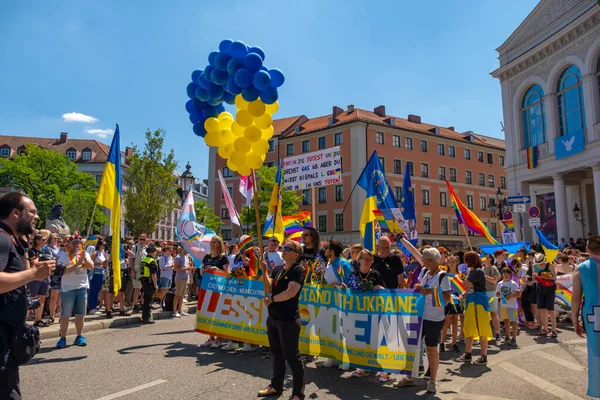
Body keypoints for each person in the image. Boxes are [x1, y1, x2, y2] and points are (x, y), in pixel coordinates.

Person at [0, 192, 56, 400]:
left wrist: (29, 268)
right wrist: (33, 274)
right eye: (31, 211)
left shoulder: (12, 241)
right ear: (15, 213)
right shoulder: (2, 238)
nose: (36, 216)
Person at [395, 248, 451, 394]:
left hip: (434, 318)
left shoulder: (442, 276)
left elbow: (447, 298)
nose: (422, 261)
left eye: (424, 259)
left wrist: (431, 291)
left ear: (430, 261)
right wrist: (419, 287)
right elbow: (419, 286)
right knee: (413, 346)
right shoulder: (425, 272)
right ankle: (410, 376)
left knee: (431, 348)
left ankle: (432, 380)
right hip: (419, 314)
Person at [258, 240, 305, 400]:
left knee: (292, 356)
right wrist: (264, 271)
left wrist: (273, 300)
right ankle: (276, 386)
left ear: (296, 254)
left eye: (287, 248)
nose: (282, 250)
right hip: (273, 317)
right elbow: (270, 287)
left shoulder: (297, 270)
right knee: (277, 353)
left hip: (288, 319)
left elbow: (291, 292)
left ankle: (298, 393)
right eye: (283, 247)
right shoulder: (279, 268)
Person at [571, 235, 600, 399]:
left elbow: (576, 298)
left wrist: (575, 320)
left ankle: (598, 389)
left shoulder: (580, 268)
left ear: (587, 249)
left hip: (592, 314)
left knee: (595, 350)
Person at [351, 249, 385, 378]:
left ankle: (376, 363)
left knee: (374, 339)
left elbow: (385, 291)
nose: (369, 262)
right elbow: (349, 291)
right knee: (361, 340)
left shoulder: (375, 274)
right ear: (359, 260)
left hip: (374, 312)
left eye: (371, 260)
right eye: (366, 259)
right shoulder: (354, 274)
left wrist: (380, 288)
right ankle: (363, 366)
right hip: (358, 312)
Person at [56, 234, 93, 349]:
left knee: (80, 314)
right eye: (74, 243)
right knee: (65, 315)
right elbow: (63, 271)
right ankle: (63, 337)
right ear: (69, 245)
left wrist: (84, 260)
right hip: (68, 288)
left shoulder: (85, 254)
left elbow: (91, 267)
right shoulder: (64, 256)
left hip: (82, 287)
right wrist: (77, 263)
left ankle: (79, 336)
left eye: (78, 243)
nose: (77, 245)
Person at [321, 239, 353, 369]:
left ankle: (346, 359)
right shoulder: (329, 263)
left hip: (343, 303)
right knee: (332, 330)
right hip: (330, 304)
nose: (325, 251)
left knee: (344, 331)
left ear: (332, 251)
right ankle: (333, 356)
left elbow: (350, 283)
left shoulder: (342, 264)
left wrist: (340, 286)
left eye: (327, 249)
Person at [458, 251, 492, 365]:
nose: (464, 261)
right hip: (471, 302)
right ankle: (468, 353)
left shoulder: (478, 271)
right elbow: (467, 287)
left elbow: (466, 284)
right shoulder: (471, 271)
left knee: (481, 328)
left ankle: (483, 356)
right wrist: (464, 293)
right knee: (469, 328)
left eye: (466, 259)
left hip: (479, 303)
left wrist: (455, 279)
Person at [199, 236, 230, 348]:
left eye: (215, 242)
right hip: (207, 287)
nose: (212, 244)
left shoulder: (223, 257)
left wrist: (217, 270)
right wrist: (204, 270)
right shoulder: (206, 257)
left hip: (219, 288)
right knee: (209, 312)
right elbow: (201, 272)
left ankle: (219, 339)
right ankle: (211, 338)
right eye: (212, 242)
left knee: (218, 313)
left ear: (219, 244)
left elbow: (227, 273)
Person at [26, 230, 52, 327]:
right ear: (37, 241)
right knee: (31, 299)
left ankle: (38, 320)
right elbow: (33, 263)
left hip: (43, 278)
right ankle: (24, 321)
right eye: (43, 239)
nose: (45, 241)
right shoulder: (31, 251)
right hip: (35, 278)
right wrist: (46, 263)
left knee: (41, 299)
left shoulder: (44, 251)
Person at [533, 253, 558, 338]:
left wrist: (544, 276)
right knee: (542, 310)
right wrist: (535, 277)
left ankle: (554, 330)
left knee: (551, 310)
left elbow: (555, 278)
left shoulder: (550, 265)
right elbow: (534, 279)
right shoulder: (534, 266)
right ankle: (545, 329)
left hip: (550, 289)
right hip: (540, 288)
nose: (539, 264)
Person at [496, 268, 520, 346]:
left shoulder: (513, 284)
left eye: (508, 274)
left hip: (512, 306)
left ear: (510, 275)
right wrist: (500, 296)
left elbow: (518, 294)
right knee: (506, 321)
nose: (506, 275)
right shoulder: (499, 284)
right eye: (504, 274)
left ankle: (514, 338)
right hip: (504, 305)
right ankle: (507, 336)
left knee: (513, 321)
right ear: (502, 275)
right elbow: (497, 294)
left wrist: (511, 295)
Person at [483, 254, 501, 342]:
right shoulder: (482, 268)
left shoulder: (493, 268)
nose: (484, 258)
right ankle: (486, 332)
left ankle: (497, 332)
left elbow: (494, 281)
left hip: (491, 292)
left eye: (486, 257)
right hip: (483, 293)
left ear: (490, 259)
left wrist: (484, 276)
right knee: (484, 314)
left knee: (493, 313)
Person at [127, 234, 148, 313]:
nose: (142, 241)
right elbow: (131, 260)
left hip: (144, 271)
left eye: (143, 239)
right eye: (141, 239)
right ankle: (134, 305)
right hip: (137, 270)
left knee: (144, 289)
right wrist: (132, 271)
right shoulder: (135, 247)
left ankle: (142, 304)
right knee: (137, 288)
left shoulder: (146, 248)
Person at [88, 239, 107, 315]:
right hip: (95, 273)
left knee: (97, 291)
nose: (104, 246)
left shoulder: (102, 253)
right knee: (93, 291)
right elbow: (90, 262)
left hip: (101, 273)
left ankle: (94, 307)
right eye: (103, 245)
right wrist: (100, 263)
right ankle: (91, 307)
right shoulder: (95, 253)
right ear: (99, 245)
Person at [140, 246, 158, 324]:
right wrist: (155, 284)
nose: (155, 253)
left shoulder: (144, 259)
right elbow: (153, 274)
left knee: (145, 299)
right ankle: (146, 318)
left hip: (144, 280)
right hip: (149, 281)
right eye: (155, 252)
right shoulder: (152, 261)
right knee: (148, 300)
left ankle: (144, 316)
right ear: (152, 252)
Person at [173, 246, 193, 318]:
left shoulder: (186, 257)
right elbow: (175, 268)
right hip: (179, 278)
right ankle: (174, 311)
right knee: (177, 294)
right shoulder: (178, 257)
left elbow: (186, 267)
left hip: (185, 277)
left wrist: (190, 268)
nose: (188, 251)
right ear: (183, 249)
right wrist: (186, 268)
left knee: (182, 295)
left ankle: (180, 310)